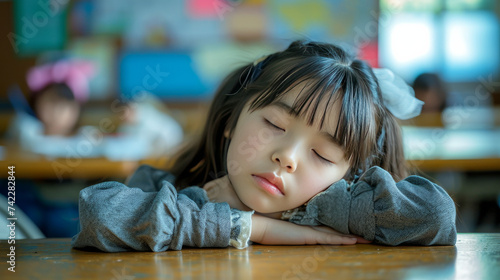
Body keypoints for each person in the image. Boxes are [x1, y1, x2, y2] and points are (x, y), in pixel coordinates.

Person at [72, 41, 457, 252]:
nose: (286, 157)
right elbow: (98, 214)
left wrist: (298, 216)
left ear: (349, 174)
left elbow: (436, 215)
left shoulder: (342, 214)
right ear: (231, 120)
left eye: (322, 155)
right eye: (274, 124)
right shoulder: (166, 190)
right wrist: (246, 225)